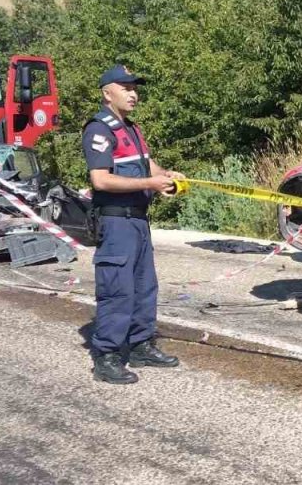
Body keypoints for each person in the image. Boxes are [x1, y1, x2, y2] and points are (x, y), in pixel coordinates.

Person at [82, 65, 186, 385]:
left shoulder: (132, 129)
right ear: (106, 93)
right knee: (117, 290)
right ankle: (107, 356)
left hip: (139, 221)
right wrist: (151, 182)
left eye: (135, 87)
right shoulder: (99, 130)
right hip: (116, 222)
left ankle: (141, 345)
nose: (133, 93)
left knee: (144, 288)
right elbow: (100, 179)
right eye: (125, 87)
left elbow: (147, 164)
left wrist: (166, 176)